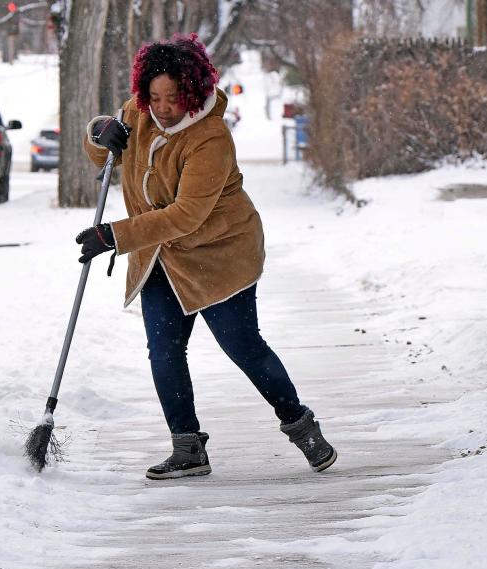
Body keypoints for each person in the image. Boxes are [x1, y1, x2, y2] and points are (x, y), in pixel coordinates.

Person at [76, 33, 336, 480]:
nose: (162, 107)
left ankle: (300, 425)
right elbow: (103, 157)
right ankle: (187, 448)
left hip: (218, 256)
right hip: (159, 257)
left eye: (173, 98)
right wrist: (100, 133)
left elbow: (187, 214)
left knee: (243, 347)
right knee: (164, 351)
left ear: (193, 92)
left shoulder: (210, 138)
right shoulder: (137, 112)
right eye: (154, 97)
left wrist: (115, 236)